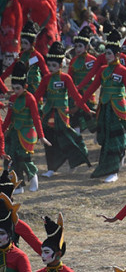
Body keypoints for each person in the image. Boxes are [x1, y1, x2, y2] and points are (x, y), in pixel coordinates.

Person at [80, 30, 126, 184]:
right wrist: (79, 102)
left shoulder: (124, 71)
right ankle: (110, 165)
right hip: (105, 108)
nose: (107, 57)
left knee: (116, 139)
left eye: (110, 54)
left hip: (118, 109)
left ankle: (113, 171)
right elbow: (92, 88)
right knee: (106, 139)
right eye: (106, 54)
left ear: (117, 55)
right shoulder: (102, 70)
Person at [36, 41, 92, 176]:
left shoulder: (66, 78)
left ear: (61, 65)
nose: (50, 68)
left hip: (61, 114)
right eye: (49, 65)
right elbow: (37, 95)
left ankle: (75, 160)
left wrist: (87, 109)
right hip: (49, 112)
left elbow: (76, 96)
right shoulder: (46, 79)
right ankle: (51, 168)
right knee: (50, 140)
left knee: (66, 138)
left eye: (54, 65)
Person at [3, 63, 48, 192]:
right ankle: (18, 185)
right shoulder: (12, 98)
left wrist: (41, 136)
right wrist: (2, 131)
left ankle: (33, 177)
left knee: (24, 158)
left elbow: (36, 118)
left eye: (18, 88)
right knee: (11, 159)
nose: (15, 91)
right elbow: (9, 117)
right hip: (14, 133)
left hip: (26, 133)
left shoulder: (30, 99)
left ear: (25, 87)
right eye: (13, 88)